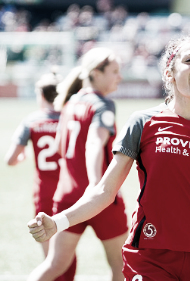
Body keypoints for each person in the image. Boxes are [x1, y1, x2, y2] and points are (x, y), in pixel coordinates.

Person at [28, 37, 190, 281]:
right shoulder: (143, 122)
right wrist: (58, 222)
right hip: (150, 255)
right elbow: (104, 191)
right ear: (170, 73)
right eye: (189, 59)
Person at [27, 47, 128, 281]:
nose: (119, 77)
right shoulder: (103, 104)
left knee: (54, 265)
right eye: (114, 71)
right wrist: (95, 183)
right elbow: (94, 142)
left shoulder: (70, 102)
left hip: (67, 196)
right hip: (99, 198)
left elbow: (62, 147)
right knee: (122, 267)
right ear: (96, 73)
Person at [5, 72, 77, 281]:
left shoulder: (32, 120)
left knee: (52, 259)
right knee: (67, 252)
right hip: (69, 191)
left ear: (41, 95)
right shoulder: (71, 118)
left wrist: (22, 157)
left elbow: (10, 159)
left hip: (44, 193)